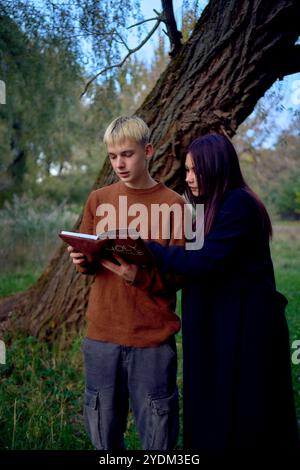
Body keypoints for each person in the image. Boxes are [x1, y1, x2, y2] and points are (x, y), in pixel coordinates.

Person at [111, 133, 300, 450]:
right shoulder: (209, 207)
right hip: (223, 325)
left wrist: (144, 247)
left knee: (248, 414)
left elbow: (204, 261)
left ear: (218, 168)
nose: (189, 178)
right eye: (187, 171)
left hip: (247, 330)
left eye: (196, 170)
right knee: (217, 407)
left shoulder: (238, 203)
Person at [68, 115, 185, 450]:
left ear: (147, 151)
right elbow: (91, 262)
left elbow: (181, 275)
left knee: (158, 435)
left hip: (152, 338)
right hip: (102, 335)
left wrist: (142, 277)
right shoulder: (98, 200)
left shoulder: (174, 205)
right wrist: (82, 261)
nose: (119, 163)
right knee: (103, 432)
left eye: (127, 154)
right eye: (112, 156)